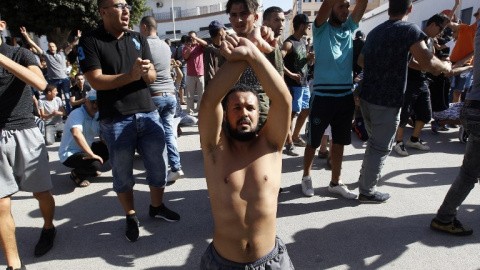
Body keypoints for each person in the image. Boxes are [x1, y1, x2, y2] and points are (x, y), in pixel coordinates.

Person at [78, 0, 180, 242]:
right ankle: (131, 215)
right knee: (122, 175)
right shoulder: (90, 40)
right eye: (119, 5)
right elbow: (96, 80)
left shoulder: (137, 38)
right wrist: (130, 76)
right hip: (115, 119)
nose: (126, 10)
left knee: (159, 167)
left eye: (127, 5)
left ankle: (156, 206)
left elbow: (151, 75)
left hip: (148, 112)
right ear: (104, 11)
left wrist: (146, 72)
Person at [199, 35, 294, 270]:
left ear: (258, 112)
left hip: (271, 261)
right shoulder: (214, 148)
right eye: (236, 107)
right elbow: (210, 101)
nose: (244, 112)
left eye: (250, 107)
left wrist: (252, 54)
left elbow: (283, 100)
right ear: (225, 113)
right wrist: (241, 55)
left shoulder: (271, 145)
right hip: (222, 263)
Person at [357, 0, 451, 203]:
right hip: (387, 99)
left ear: (389, 8)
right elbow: (427, 62)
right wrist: (444, 67)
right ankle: (367, 190)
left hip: (367, 96)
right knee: (380, 147)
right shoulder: (410, 30)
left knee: (374, 144)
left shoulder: (375, 31)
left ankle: (365, 183)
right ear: (410, 9)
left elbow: (361, 61)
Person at [0, 19, 57, 270]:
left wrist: (1, 59)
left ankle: (48, 227)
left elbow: (40, 83)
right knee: (1, 203)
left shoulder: (20, 53)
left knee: (41, 193)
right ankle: (14, 264)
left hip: (24, 131)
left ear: (2, 25)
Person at [301, 0, 368, 198]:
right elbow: (326, 5)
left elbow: (362, 4)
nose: (346, 10)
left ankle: (335, 182)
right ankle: (306, 177)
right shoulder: (320, 29)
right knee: (313, 141)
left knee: (339, 141)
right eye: (341, 6)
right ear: (331, 8)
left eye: (347, 6)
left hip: (345, 95)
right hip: (322, 96)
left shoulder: (348, 28)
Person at [430, 21, 480, 236]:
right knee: (469, 173)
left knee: (468, 173)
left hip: (472, 106)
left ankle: (445, 216)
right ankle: (444, 217)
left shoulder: (477, 34)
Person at [226, 0, 285, 152]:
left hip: (262, 117)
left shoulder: (267, 42)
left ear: (255, 17)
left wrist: (285, 125)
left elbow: (280, 86)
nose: (239, 20)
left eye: (244, 14)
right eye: (234, 15)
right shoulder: (228, 45)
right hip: (234, 119)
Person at [393, 13, 451, 157]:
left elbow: (430, 61)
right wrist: (426, 67)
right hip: (409, 81)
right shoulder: (417, 37)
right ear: (432, 25)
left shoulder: (431, 41)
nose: (441, 32)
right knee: (404, 114)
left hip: (423, 81)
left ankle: (414, 139)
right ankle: (399, 142)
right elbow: (409, 61)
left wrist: (438, 67)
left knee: (426, 113)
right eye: (440, 28)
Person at [139, 16, 185, 183]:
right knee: (168, 133)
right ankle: (176, 167)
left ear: (144, 27)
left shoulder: (142, 45)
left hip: (154, 96)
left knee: (151, 138)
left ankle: (156, 172)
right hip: (170, 94)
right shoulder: (166, 46)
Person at [20, 27, 81, 115]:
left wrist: (78, 38)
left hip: (64, 79)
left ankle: (70, 114)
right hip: (53, 81)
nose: (51, 48)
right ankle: (62, 114)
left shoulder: (62, 53)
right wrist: (26, 35)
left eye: (53, 46)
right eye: (50, 46)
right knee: (57, 98)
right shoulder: (46, 55)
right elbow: (35, 46)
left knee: (67, 97)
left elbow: (71, 45)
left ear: (56, 47)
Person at [58, 90, 109, 187]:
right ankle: (77, 174)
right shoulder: (77, 113)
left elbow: (102, 136)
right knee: (94, 164)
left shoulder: (97, 115)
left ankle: (88, 170)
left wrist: (113, 148)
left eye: (98, 102)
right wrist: (91, 154)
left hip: (85, 148)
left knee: (109, 148)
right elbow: (76, 134)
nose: (95, 106)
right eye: (92, 102)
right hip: (70, 153)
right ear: (85, 101)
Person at [282, 14, 315, 150]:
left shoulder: (302, 40)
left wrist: (309, 58)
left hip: (304, 83)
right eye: (307, 24)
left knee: (306, 110)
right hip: (293, 85)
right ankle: (288, 139)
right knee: (293, 113)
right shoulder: (288, 43)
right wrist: (290, 74)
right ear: (301, 25)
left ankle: (295, 136)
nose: (309, 26)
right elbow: (278, 60)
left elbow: (305, 60)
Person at [447, 1, 479, 103]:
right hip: (453, 62)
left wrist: (462, 62)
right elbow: (448, 23)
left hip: (465, 65)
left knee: (458, 92)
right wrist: (456, 6)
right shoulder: (466, 28)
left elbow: (474, 52)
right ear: (476, 16)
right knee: (449, 89)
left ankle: (455, 113)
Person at [183, 31, 208, 114]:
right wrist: (189, 49)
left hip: (200, 73)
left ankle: (200, 109)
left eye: (193, 37)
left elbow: (206, 44)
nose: (192, 39)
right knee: (190, 94)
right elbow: (185, 57)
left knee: (201, 93)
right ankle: (190, 110)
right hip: (190, 74)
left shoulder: (199, 46)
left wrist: (196, 39)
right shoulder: (185, 47)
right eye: (190, 38)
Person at [203, 20, 227, 87]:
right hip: (217, 88)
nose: (226, 32)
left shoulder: (225, 47)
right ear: (220, 32)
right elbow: (210, 75)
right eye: (224, 30)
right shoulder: (210, 50)